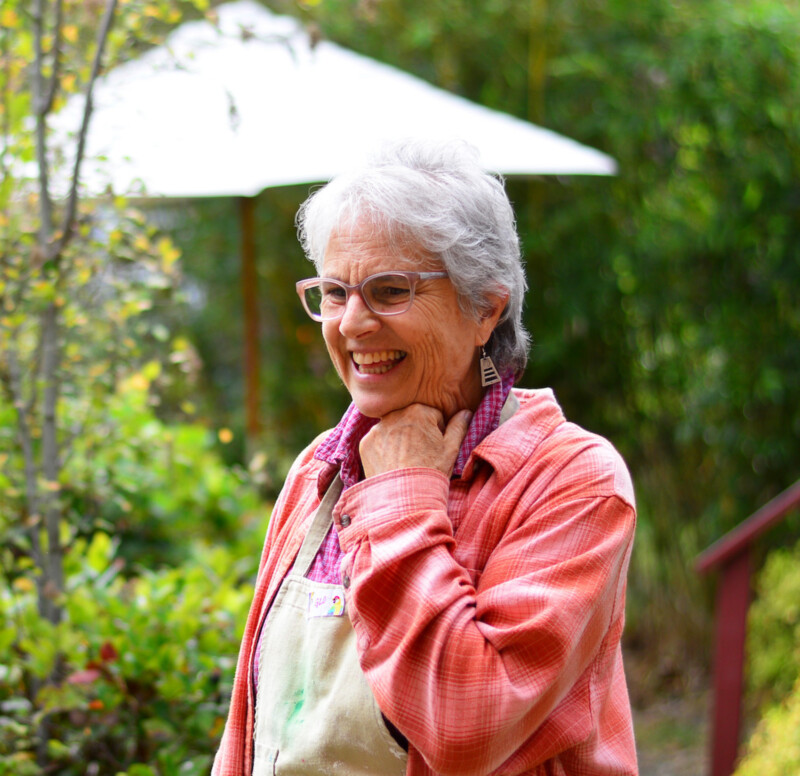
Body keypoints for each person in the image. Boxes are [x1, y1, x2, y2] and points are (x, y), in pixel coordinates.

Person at [212, 139, 637, 776]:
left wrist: (403, 490)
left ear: (485, 308)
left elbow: (467, 727)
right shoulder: (318, 470)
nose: (351, 323)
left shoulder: (573, 481)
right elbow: (247, 734)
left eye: (389, 291)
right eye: (335, 292)